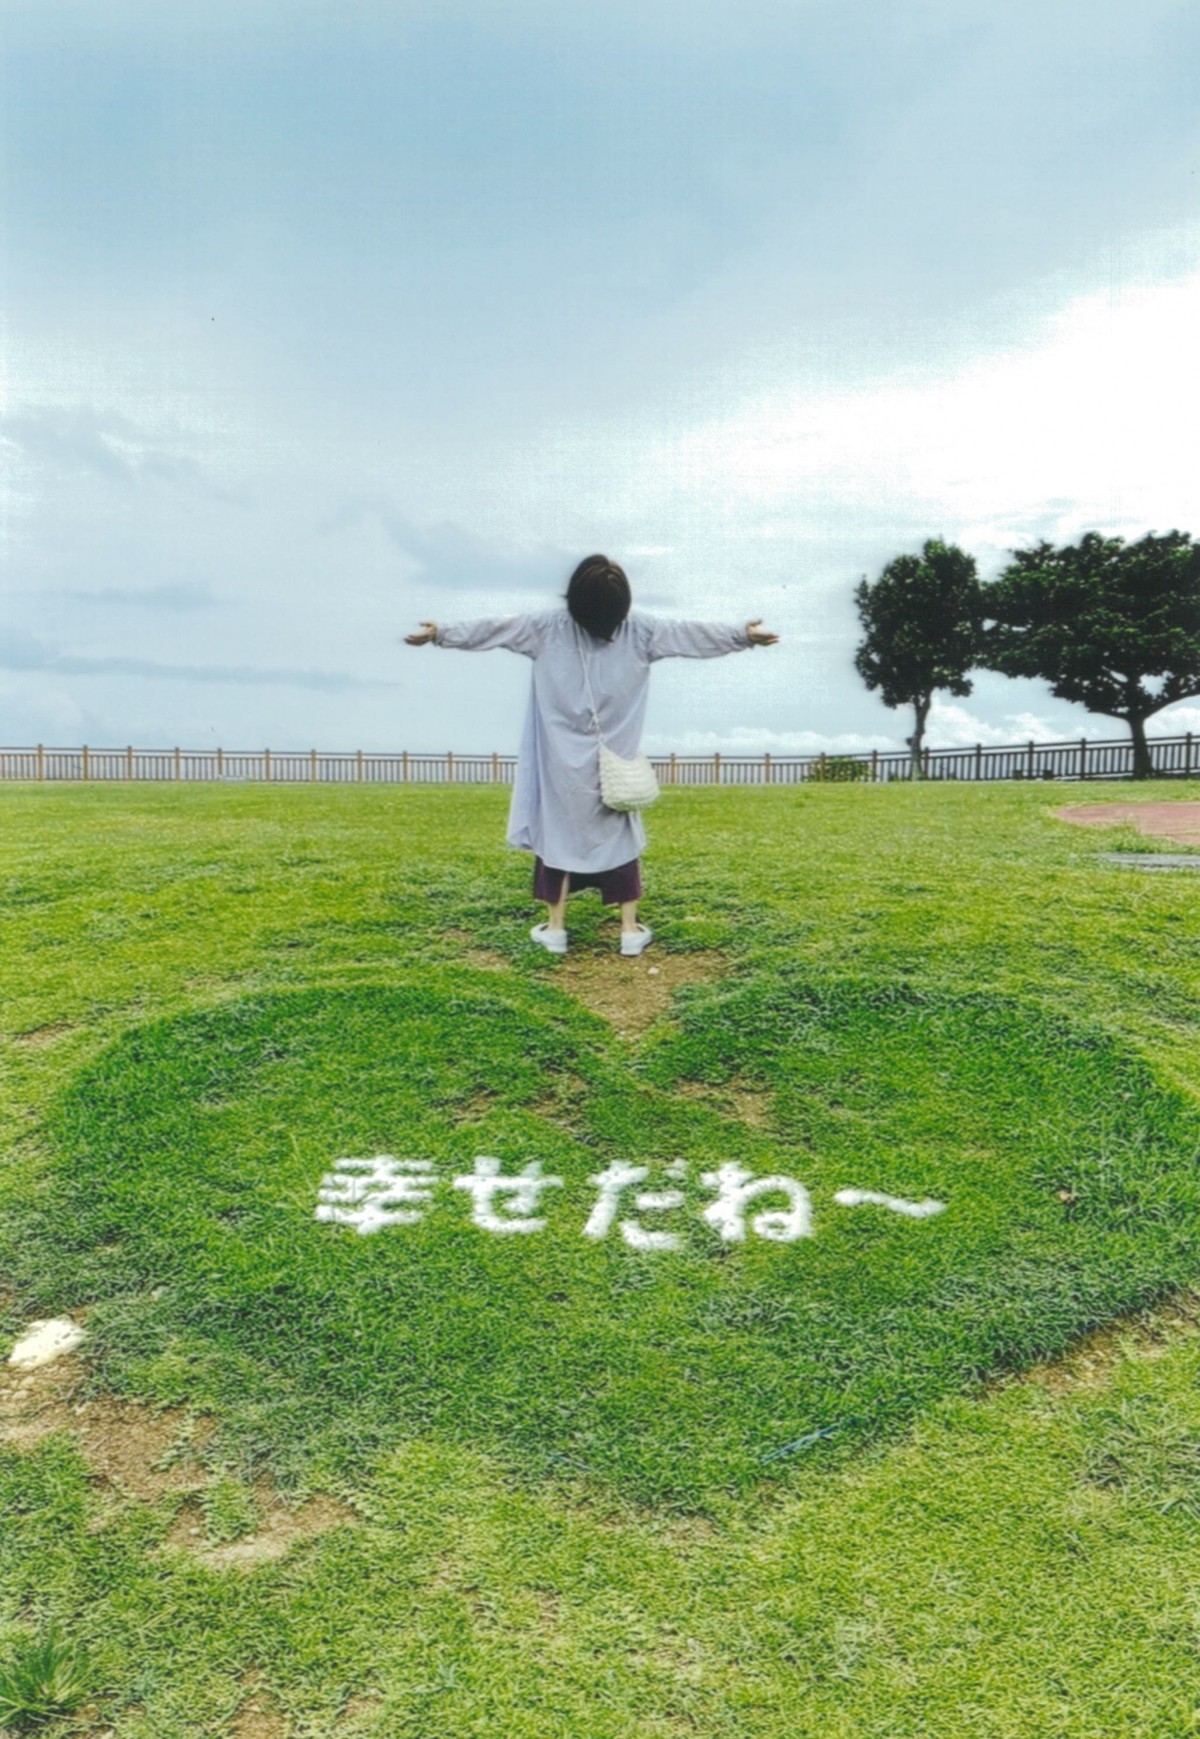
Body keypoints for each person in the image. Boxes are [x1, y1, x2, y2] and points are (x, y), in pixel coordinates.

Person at [406, 554, 778, 956]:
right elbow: (692, 635)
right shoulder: (640, 630)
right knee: (619, 835)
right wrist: (742, 635)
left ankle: (555, 930)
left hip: (559, 764)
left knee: (558, 836)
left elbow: (494, 629)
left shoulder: (547, 627)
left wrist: (441, 632)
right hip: (615, 762)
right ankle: (629, 931)